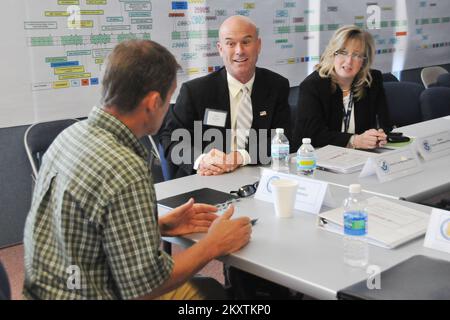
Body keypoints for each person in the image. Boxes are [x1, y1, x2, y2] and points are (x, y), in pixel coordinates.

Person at [22, 40, 252, 300]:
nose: (168, 109)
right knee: (216, 296)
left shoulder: (69, 136)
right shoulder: (124, 167)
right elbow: (147, 286)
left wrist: (157, 226)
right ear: (154, 102)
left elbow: (81, 230)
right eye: (169, 99)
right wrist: (213, 245)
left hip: (49, 291)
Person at [160, 15, 291, 178]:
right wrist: (202, 160)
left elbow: (285, 137)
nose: (239, 51)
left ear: (258, 45)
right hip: (205, 179)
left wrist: (240, 157)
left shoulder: (276, 86)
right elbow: (170, 140)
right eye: (230, 43)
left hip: (258, 176)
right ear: (220, 49)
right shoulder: (196, 91)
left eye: (246, 42)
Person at [294, 25, 392, 150]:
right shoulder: (313, 86)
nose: (349, 61)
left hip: (362, 155)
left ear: (364, 61)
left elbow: (384, 123)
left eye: (356, 55)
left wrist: (379, 136)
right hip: (320, 157)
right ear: (332, 54)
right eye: (343, 53)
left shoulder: (372, 80)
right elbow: (311, 136)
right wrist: (354, 140)